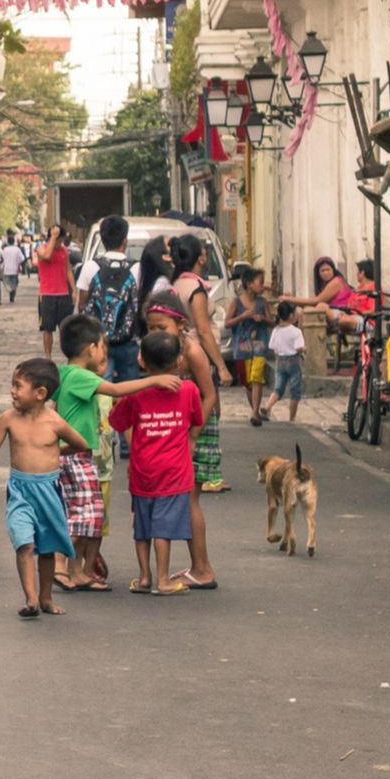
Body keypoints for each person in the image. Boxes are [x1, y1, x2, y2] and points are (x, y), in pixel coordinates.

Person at [52, 314, 183, 591]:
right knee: (85, 516)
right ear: (91, 348)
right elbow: (114, 388)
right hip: (77, 457)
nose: (104, 353)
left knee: (88, 516)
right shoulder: (79, 375)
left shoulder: (65, 373)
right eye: (103, 346)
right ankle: (59, 565)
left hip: (77, 456)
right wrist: (153, 381)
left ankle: (78, 572)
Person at [0, 358, 85, 618]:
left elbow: (81, 443)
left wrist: (56, 452)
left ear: (40, 393)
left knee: (47, 548)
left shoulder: (55, 423)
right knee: (24, 542)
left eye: (18, 386)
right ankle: (31, 599)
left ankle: (46, 598)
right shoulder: (8, 419)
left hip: (49, 491)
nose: (12, 391)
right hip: (20, 491)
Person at [108, 331, 206, 595]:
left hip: (142, 469)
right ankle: (163, 579)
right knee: (163, 526)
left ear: (142, 361)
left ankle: (144, 577)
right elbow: (197, 420)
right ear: (178, 361)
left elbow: (116, 421)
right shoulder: (188, 390)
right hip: (174, 471)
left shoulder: (135, 393)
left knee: (142, 526)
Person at [143, 292, 219, 589]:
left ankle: (203, 569)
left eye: (162, 328)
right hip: (177, 428)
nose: (155, 333)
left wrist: (193, 437)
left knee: (189, 498)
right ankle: (197, 566)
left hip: (197, 425)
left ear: (180, 323)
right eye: (151, 328)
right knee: (182, 496)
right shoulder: (161, 350)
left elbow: (209, 395)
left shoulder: (192, 351)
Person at [167, 234, 231, 493]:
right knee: (208, 407)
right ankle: (206, 472)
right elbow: (204, 330)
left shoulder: (175, 285)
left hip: (181, 354)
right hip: (199, 355)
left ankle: (185, 466)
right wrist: (222, 366)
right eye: (204, 251)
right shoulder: (196, 288)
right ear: (200, 257)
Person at [76, 216, 143, 382]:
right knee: (130, 390)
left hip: (98, 342)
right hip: (128, 341)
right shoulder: (137, 268)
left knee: (101, 388)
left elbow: (82, 304)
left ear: (102, 240)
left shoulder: (91, 266)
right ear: (125, 241)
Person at [222, 267, 273, 425]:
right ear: (249, 284)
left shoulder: (262, 302)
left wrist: (262, 318)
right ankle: (256, 411)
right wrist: (243, 316)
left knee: (257, 376)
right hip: (242, 346)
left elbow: (272, 321)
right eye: (260, 282)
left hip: (259, 343)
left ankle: (254, 413)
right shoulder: (236, 302)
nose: (263, 286)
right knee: (247, 381)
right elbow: (227, 323)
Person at [282, 256, 364, 335]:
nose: (326, 273)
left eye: (328, 270)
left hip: (342, 313)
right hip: (331, 314)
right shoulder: (323, 285)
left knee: (319, 307)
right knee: (305, 311)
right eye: (322, 271)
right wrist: (291, 299)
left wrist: (290, 299)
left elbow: (316, 301)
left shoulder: (336, 282)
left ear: (333, 270)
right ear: (318, 273)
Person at [34, 224, 75, 358]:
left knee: (65, 328)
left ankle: (68, 354)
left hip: (63, 293)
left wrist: (73, 290)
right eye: (58, 240)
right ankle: (48, 355)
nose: (59, 243)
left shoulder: (64, 251)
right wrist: (53, 237)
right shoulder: (41, 249)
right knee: (48, 328)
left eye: (60, 239)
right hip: (47, 294)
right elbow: (46, 256)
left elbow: (68, 270)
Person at [267, 303, 307, 423]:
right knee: (295, 391)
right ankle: (292, 418)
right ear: (291, 315)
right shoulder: (296, 331)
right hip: (293, 362)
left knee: (278, 389)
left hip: (280, 361)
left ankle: (267, 406)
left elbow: (272, 346)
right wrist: (305, 348)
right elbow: (299, 348)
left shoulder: (276, 330)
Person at [0, 232, 24, 303]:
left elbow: (2, 259)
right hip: (15, 269)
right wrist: (18, 262)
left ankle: (11, 291)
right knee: (14, 283)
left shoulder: (5, 250)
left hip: (6, 269)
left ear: (8, 242)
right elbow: (22, 258)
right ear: (14, 241)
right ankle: (12, 295)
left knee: (7, 283)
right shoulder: (17, 249)